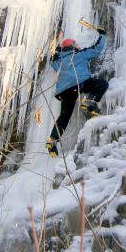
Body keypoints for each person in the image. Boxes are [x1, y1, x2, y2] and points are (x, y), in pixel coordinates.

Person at [46, 26, 108, 156]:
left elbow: (52, 61)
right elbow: (96, 49)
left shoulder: (60, 61)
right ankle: (89, 101)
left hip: (64, 91)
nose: (78, 45)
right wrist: (102, 35)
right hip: (80, 83)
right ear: (72, 46)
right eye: (76, 44)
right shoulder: (80, 54)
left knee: (64, 116)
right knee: (102, 83)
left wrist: (57, 50)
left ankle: (52, 140)